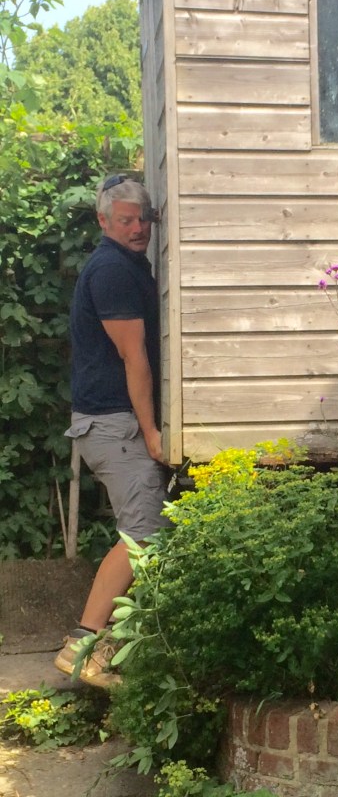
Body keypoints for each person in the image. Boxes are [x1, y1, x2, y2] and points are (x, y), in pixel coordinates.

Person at [54, 174, 167, 688]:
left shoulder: (126, 264)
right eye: (125, 220)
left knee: (145, 534)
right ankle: (83, 647)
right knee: (142, 534)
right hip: (117, 423)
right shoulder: (113, 271)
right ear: (103, 221)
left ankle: (107, 647)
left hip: (112, 421)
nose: (138, 228)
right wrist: (151, 432)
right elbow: (133, 358)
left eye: (144, 218)